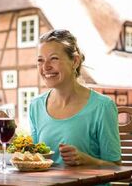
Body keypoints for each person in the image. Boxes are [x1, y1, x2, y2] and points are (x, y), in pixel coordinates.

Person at [29, 29, 121, 166]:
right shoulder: (35, 106)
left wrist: (88, 161)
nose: (45, 67)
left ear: (75, 61)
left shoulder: (102, 107)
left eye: (54, 58)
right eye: (40, 60)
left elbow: (116, 167)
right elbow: (35, 161)